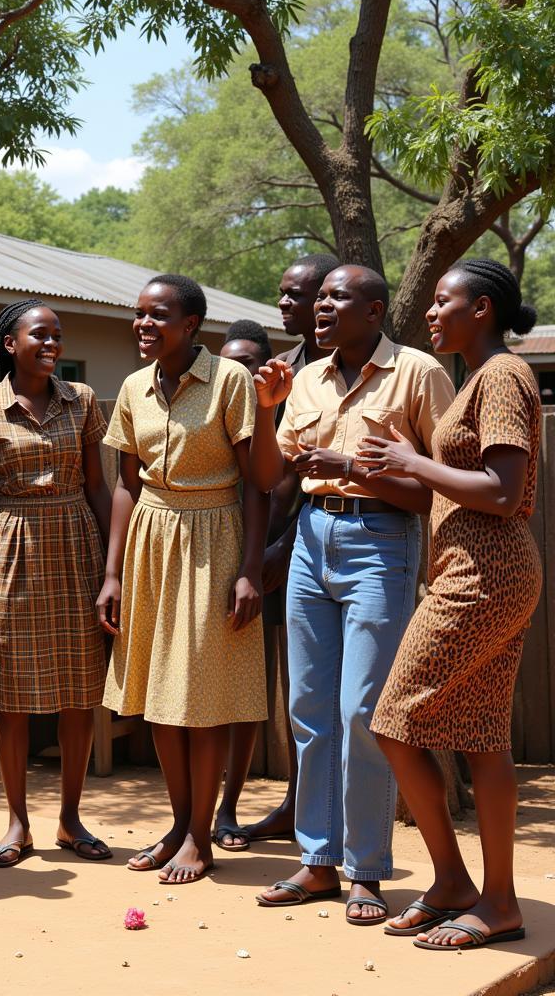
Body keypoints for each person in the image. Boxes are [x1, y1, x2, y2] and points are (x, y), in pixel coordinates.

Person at [249, 264, 455, 924]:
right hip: (311, 540)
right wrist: (264, 407)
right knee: (308, 709)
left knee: (364, 710)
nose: (321, 307)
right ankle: (317, 862)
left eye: (337, 297)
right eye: (321, 298)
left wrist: (349, 467)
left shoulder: (417, 374)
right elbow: (266, 473)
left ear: (374, 309)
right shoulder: (304, 376)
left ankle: (366, 869)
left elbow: (439, 488)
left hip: (380, 541)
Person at [358, 259, 541, 950]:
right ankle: (488, 898)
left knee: (394, 720)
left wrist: (412, 465)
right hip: (481, 571)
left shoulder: (499, 376)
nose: (431, 313)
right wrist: (414, 455)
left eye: (443, 301)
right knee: (482, 736)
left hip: (483, 575)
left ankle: (465, 887)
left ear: (483, 308)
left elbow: (500, 489)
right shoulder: (482, 378)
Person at [97, 274, 268, 884]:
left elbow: (256, 482)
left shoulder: (231, 380)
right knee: (159, 698)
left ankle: (202, 833)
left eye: (158, 315)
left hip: (214, 538)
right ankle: (178, 825)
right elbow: (124, 482)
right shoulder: (132, 387)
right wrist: (111, 572)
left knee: (203, 696)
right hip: (150, 540)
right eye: (138, 314)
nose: (144, 325)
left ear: (191, 324)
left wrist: (251, 569)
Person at [0, 300, 113, 867]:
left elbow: (99, 487)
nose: (51, 345)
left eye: (57, 337)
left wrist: (111, 570)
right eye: (39, 335)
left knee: (78, 687)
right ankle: (17, 822)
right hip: (11, 549)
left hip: (76, 546)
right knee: (11, 692)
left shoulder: (84, 400)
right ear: (9, 344)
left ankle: (70, 819)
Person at [238, 254, 340, 847]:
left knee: (335, 695)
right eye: (283, 295)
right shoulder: (288, 368)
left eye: (296, 295)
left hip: (316, 543)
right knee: (295, 690)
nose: (286, 305)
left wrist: (286, 543)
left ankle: (330, 817)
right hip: (275, 547)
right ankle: (296, 805)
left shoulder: (343, 366)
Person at [212, 319, 273, 851]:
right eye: (228, 362)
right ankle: (214, 810)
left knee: (257, 693)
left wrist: (262, 566)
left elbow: (280, 488)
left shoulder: (281, 410)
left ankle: (235, 805)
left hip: (280, 564)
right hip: (217, 564)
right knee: (220, 687)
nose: (238, 372)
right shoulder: (219, 409)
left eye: (247, 362)